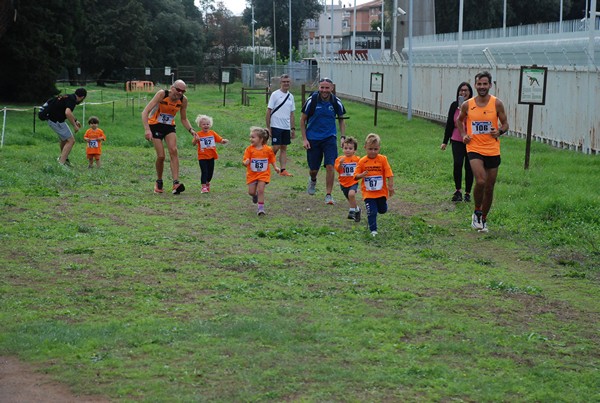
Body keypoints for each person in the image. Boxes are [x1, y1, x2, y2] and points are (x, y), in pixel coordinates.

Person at [457, 71, 509, 233]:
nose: (482, 87)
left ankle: (483, 219)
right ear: (475, 85)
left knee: (490, 186)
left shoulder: (497, 104)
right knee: (480, 181)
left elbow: (506, 124)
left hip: (492, 148)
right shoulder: (468, 104)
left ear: (490, 85)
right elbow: (460, 121)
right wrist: (464, 135)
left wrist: (499, 132)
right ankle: (477, 210)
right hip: (474, 147)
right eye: (479, 84)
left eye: (485, 84)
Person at [141, 79, 196, 195]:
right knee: (161, 156)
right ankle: (159, 181)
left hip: (169, 127)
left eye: (183, 91)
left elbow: (183, 119)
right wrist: (147, 129)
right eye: (178, 90)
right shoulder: (162, 94)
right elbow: (145, 112)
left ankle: (176, 183)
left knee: (173, 150)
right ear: (172, 88)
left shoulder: (183, 100)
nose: (180, 93)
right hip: (155, 125)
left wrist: (191, 130)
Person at [300, 77, 346, 205]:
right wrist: (304, 139)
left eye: (327, 88)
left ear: (332, 88)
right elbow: (302, 120)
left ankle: (328, 195)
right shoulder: (312, 101)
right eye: (322, 87)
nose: (324, 90)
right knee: (313, 169)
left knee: (330, 165)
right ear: (319, 88)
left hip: (329, 137)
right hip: (313, 138)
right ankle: (313, 179)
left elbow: (341, 119)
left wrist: (343, 136)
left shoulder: (336, 102)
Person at [354, 133, 394, 237]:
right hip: (368, 193)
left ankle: (381, 207)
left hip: (381, 192)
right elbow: (355, 176)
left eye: (375, 149)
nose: (373, 152)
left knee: (382, 210)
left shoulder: (383, 159)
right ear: (365, 148)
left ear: (379, 148)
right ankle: (373, 231)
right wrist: (361, 175)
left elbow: (389, 173)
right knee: (372, 212)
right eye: (370, 149)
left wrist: (390, 186)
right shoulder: (362, 161)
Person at [441, 82, 474, 202]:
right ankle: (458, 191)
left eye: (466, 90)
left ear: (470, 92)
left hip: (471, 140)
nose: (463, 92)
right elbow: (449, 123)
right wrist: (445, 141)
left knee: (469, 166)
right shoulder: (454, 106)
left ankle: (468, 193)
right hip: (456, 139)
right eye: (461, 90)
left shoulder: (474, 105)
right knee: (458, 163)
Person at [243, 127, 280, 216]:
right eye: (250, 137)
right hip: (252, 174)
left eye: (253, 137)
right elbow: (245, 160)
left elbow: (272, 158)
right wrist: (245, 162)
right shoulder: (249, 149)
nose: (251, 139)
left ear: (261, 139)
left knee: (261, 190)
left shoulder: (268, 149)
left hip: (263, 174)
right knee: (251, 192)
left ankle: (261, 209)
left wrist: (275, 167)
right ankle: (254, 196)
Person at [47, 87, 87, 167]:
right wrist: (75, 126)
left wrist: (75, 120)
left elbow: (64, 110)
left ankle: (64, 159)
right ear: (82, 97)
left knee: (64, 139)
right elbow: (68, 113)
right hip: (56, 121)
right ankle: (61, 164)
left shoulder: (68, 96)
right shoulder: (72, 100)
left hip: (54, 119)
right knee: (71, 141)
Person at [266, 74, 295, 177]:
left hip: (286, 127)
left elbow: (292, 113)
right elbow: (269, 111)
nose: (286, 83)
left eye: (288, 81)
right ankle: (266, 163)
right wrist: (269, 127)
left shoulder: (291, 96)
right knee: (276, 147)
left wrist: (292, 128)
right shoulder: (275, 94)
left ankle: (283, 170)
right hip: (276, 125)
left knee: (284, 148)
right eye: (284, 81)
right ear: (280, 83)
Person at [192, 114, 229, 193]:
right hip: (202, 157)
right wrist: (196, 139)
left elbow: (219, 139)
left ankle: (207, 182)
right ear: (200, 125)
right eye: (204, 124)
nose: (206, 126)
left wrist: (223, 141)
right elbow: (193, 143)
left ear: (210, 125)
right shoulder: (198, 134)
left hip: (211, 156)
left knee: (210, 172)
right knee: (204, 171)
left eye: (207, 124)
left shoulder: (212, 133)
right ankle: (203, 187)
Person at [334, 136, 361, 222]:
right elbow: (338, 170)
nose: (348, 150)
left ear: (354, 150)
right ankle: (357, 210)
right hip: (343, 183)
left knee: (351, 194)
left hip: (353, 181)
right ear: (343, 149)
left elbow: (362, 166)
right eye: (346, 148)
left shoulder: (357, 159)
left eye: (350, 148)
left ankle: (351, 211)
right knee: (350, 199)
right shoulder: (339, 159)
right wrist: (341, 164)